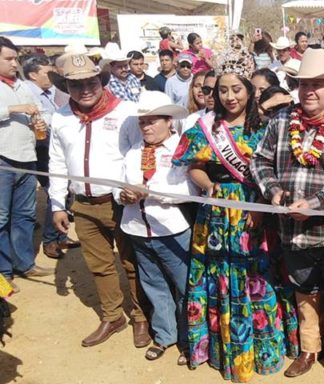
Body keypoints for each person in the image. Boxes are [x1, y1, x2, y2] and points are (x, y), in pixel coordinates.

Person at [172, 43, 294, 381]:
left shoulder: (267, 127)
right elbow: (193, 167)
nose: (229, 97)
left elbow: (277, 172)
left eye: (236, 89)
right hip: (219, 215)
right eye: (222, 90)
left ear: (249, 90)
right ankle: (226, 349)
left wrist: (263, 209)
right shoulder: (204, 128)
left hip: (257, 211)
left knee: (258, 278)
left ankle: (264, 350)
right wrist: (208, 187)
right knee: (221, 277)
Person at [251, 48, 324, 384]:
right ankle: (309, 349)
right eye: (303, 84)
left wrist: (315, 204)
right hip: (291, 229)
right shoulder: (282, 120)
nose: (309, 91)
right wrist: (274, 192)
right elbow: (260, 161)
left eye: (319, 84)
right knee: (304, 290)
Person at [48, 52, 149, 348]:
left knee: (131, 262)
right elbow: (56, 162)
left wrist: (132, 189)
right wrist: (56, 203)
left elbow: (138, 154)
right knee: (99, 264)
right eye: (76, 85)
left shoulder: (126, 112)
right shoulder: (61, 117)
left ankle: (141, 316)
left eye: (91, 82)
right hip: (83, 204)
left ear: (101, 81)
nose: (85, 89)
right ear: (66, 87)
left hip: (121, 203)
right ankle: (112, 315)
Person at [116, 91, 195, 363]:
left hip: (171, 229)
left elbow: (188, 190)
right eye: (143, 122)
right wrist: (124, 195)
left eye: (153, 121)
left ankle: (188, 340)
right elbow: (120, 184)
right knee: (153, 283)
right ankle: (164, 335)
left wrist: (149, 192)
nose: (147, 127)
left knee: (184, 286)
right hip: (138, 227)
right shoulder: (133, 152)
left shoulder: (180, 150)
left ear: (169, 121)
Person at [0, 37, 54, 294]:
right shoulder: (14, 92)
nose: (14, 63)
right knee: (1, 217)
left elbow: (34, 113)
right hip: (3, 159)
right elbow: (17, 110)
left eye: (15, 58)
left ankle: (24, 263)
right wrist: (14, 108)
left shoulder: (20, 84)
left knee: (24, 214)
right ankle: (3, 271)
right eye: (8, 59)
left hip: (26, 156)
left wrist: (37, 125)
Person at [22, 54, 79, 259]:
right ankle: (50, 241)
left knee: (65, 191)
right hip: (38, 151)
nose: (51, 76)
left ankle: (59, 236)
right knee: (56, 192)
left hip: (51, 147)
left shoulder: (50, 91)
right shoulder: (27, 92)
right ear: (33, 75)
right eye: (47, 73)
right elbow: (40, 118)